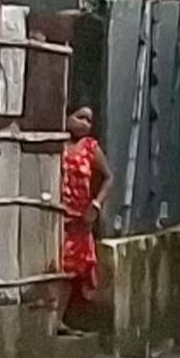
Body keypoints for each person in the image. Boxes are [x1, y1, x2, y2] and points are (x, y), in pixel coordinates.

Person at [61, 106, 113, 316]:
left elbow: (109, 177)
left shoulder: (91, 147)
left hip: (81, 218)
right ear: (67, 117)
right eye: (79, 117)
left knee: (75, 269)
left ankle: (65, 317)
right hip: (57, 214)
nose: (84, 124)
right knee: (57, 265)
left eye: (89, 121)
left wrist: (96, 204)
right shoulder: (57, 144)